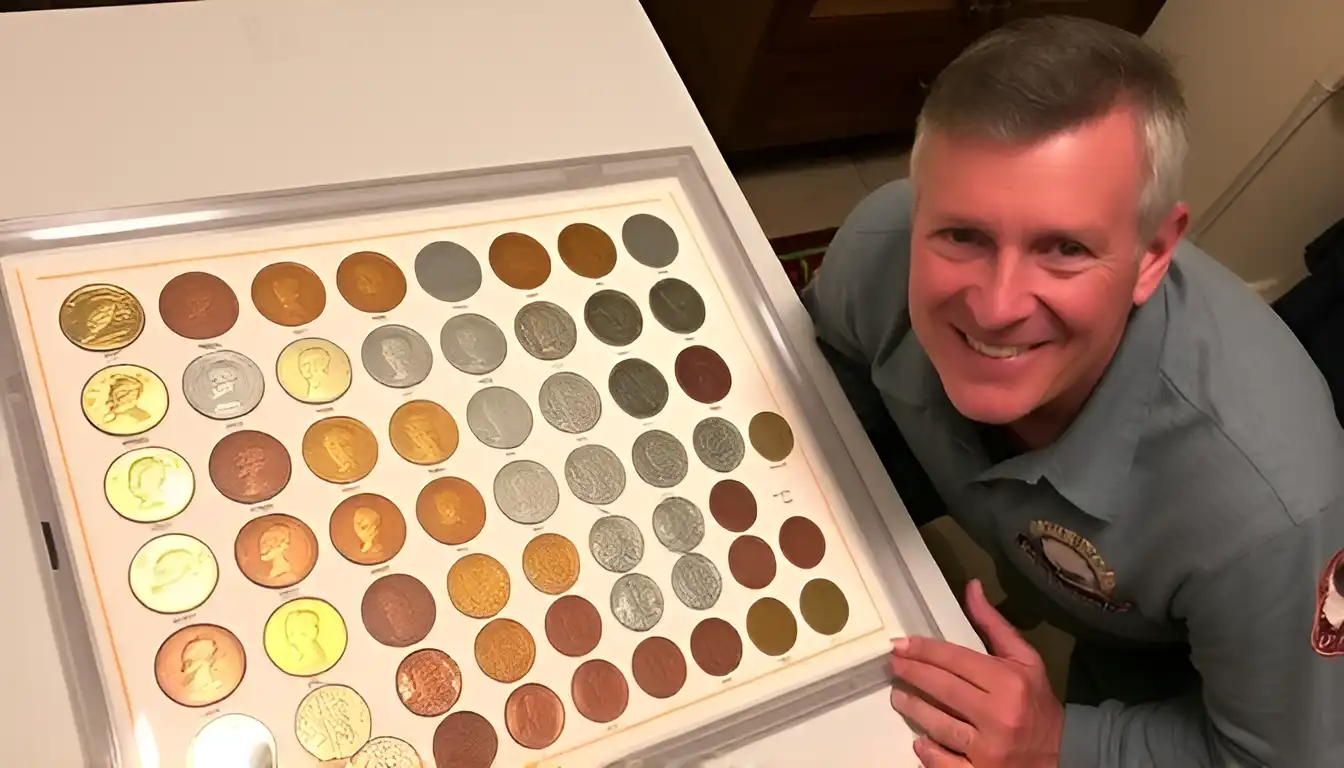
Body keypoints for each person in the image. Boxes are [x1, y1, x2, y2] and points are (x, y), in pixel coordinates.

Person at [801, 16, 1344, 768]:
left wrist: (1062, 741)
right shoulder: (876, 245)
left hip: (1157, 662)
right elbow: (829, 387)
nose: (996, 306)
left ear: (1154, 255)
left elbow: (1281, 758)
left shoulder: (1270, 512)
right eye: (962, 234)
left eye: (1064, 249)